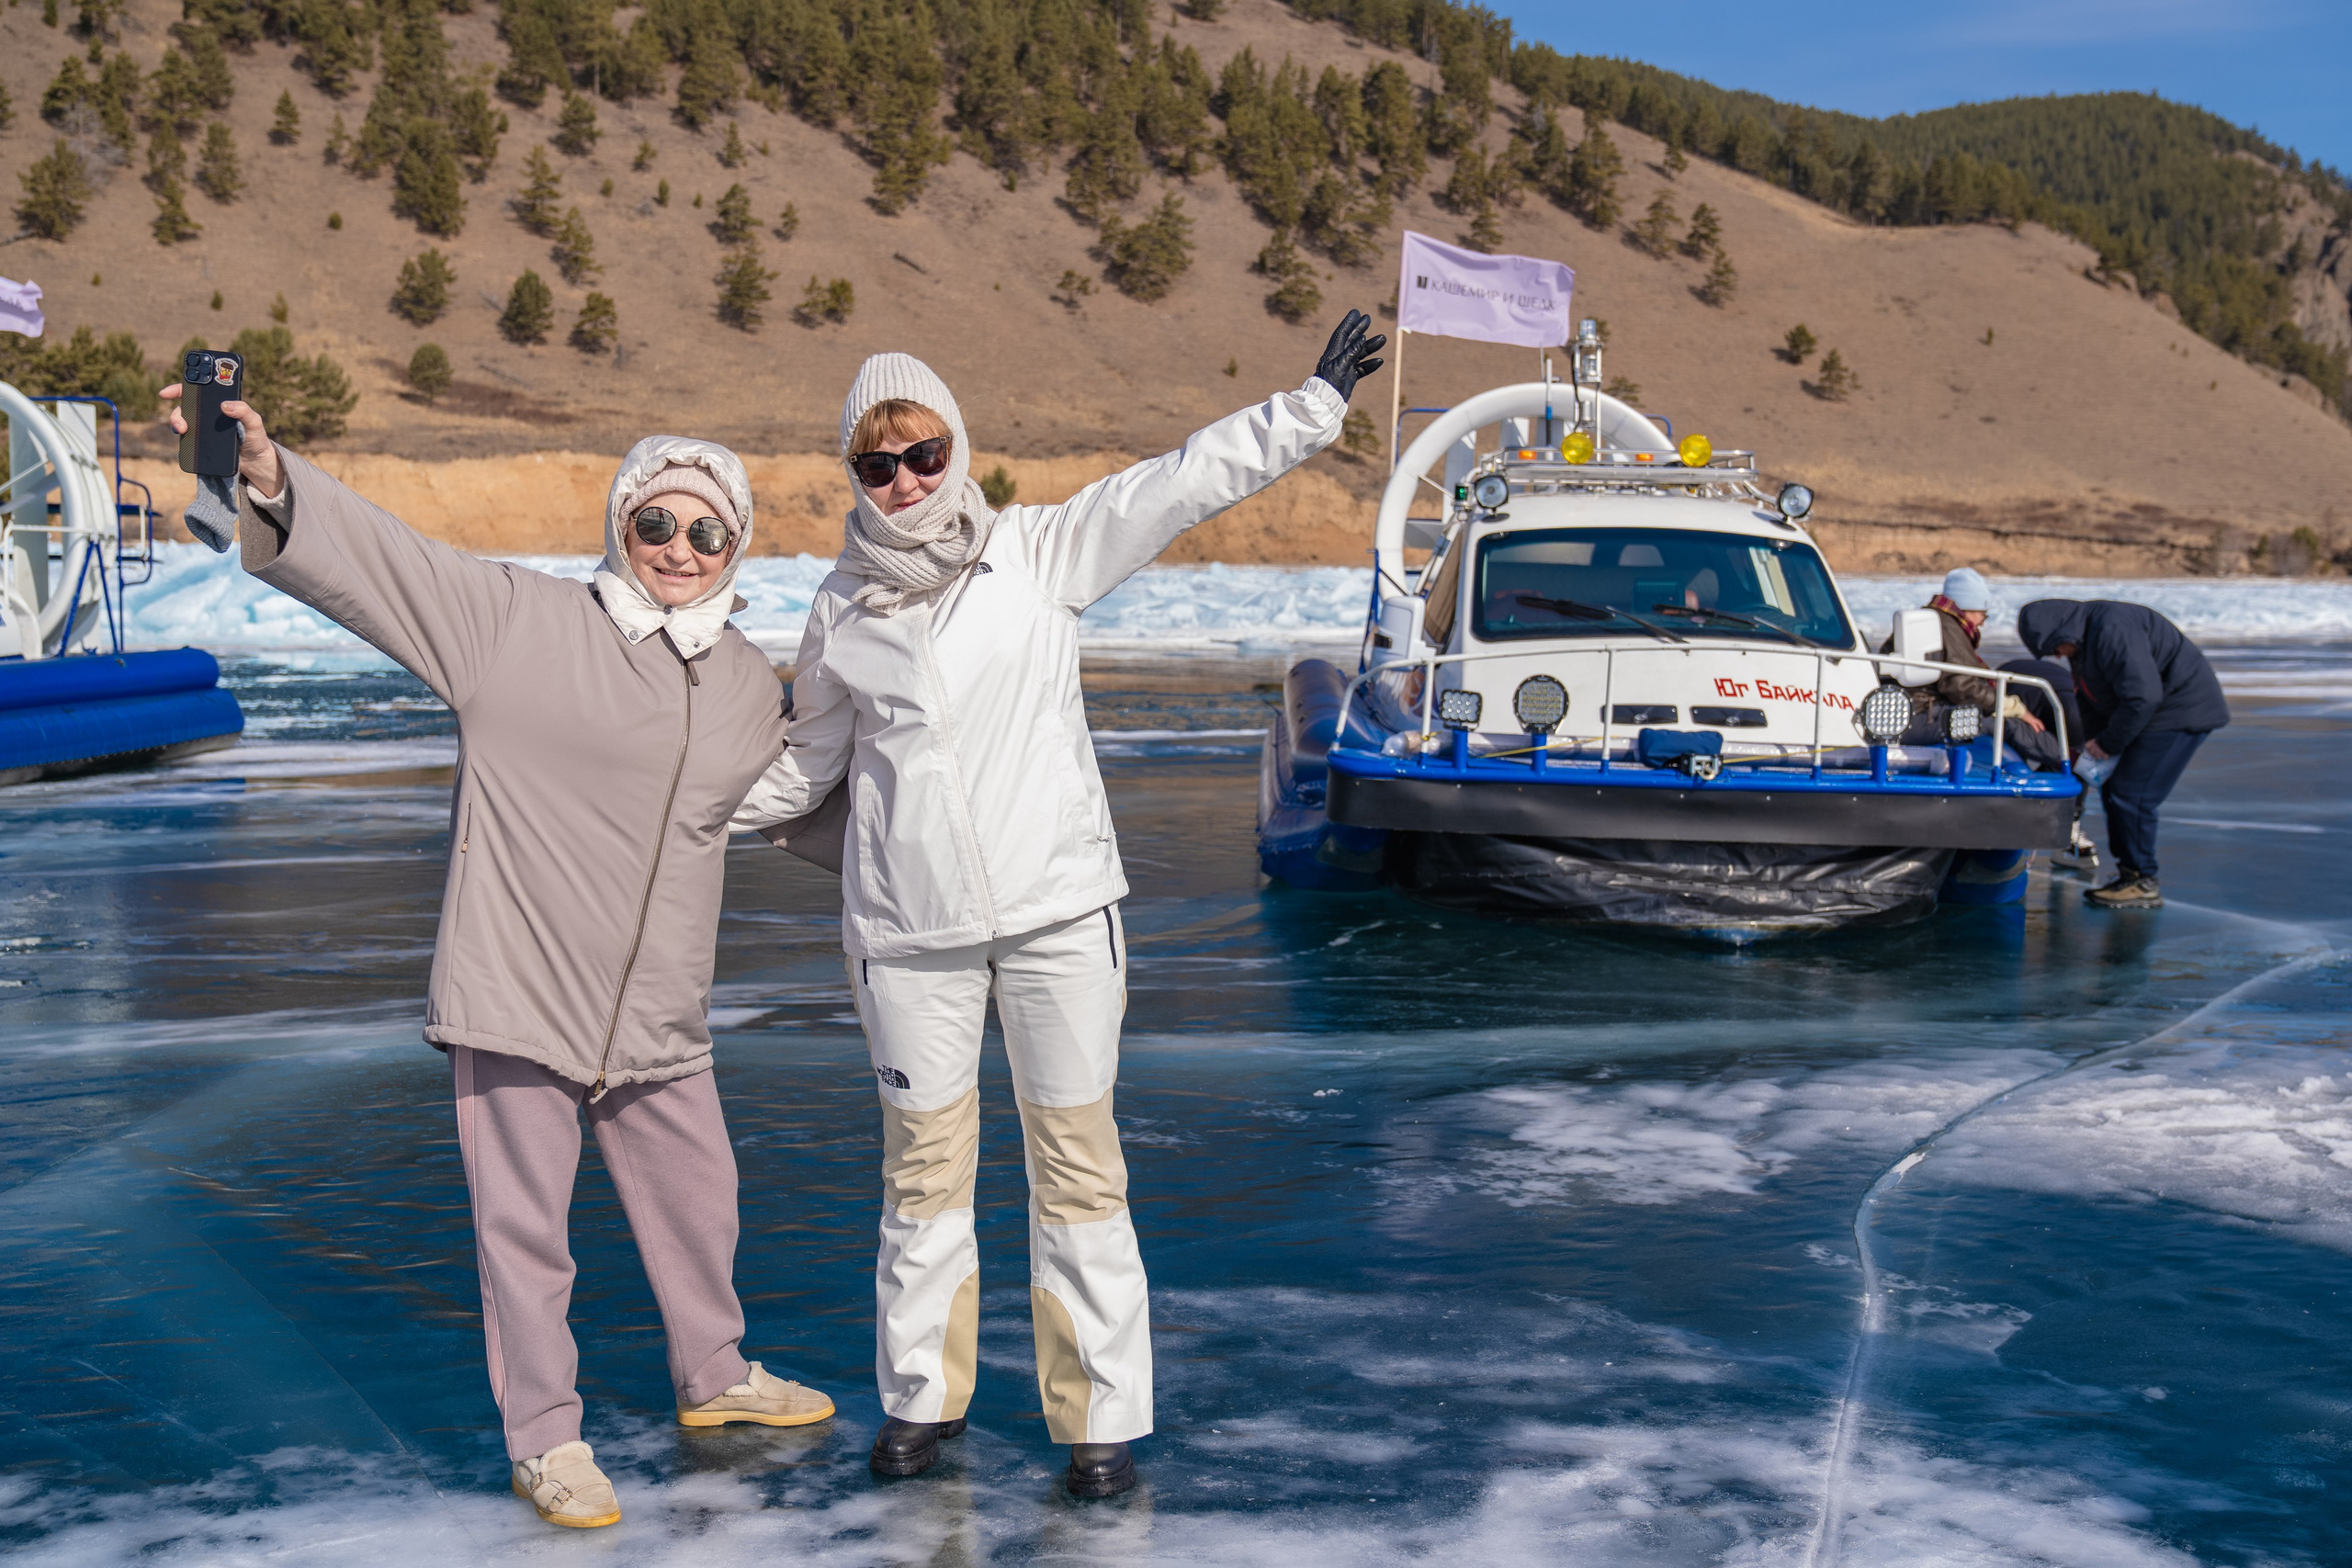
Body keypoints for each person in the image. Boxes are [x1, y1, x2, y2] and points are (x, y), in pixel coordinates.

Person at [730, 312, 1385, 1498]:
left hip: (1057, 916)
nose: (906, 481)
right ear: (854, 477)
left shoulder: (1038, 551)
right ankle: (921, 1398)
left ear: (958, 446)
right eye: (877, 465)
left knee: (1077, 1165)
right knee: (922, 1173)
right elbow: (805, 770)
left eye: (924, 452)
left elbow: (1178, 483)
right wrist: (664, 804)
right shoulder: (839, 610)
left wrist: (1310, 408)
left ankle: (1099, 1419)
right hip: (907, 940)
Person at [161, 386, 834, 1531]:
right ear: (621, 525)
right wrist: (267, 476)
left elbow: (804, 803)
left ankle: (715, 1377)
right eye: (656, 524)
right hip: (519, 989)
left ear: (738, 547)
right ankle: (547, 1439)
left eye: (707, 530)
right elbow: (387, 565)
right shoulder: (517, 623)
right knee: (525, 1234)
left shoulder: (738, 684)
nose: (679, 548)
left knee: (700, 1202)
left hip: (659, 1009)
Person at [2018, 598, 2230, 908]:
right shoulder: (2085, 640)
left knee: (2134, 794)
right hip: (2154, 712)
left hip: (2180, 710)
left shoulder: (2111, 629)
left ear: (2059, 632)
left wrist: (2109, 743)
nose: (2057, 656)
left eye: (2054, 649)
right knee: (2119, 791)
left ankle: (2143, 881)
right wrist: (2091, 741)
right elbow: (2091, 700)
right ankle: (2131, 875)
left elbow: (2142, 695)